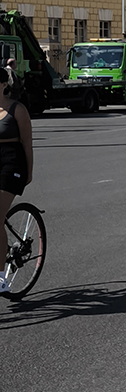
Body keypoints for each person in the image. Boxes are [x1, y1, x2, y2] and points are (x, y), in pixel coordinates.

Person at [0, 62, 34, 295]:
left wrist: (29, 173)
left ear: (3, 85)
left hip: (12, 165)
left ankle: (1, 276)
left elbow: (27, 145)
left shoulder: (17, 110)